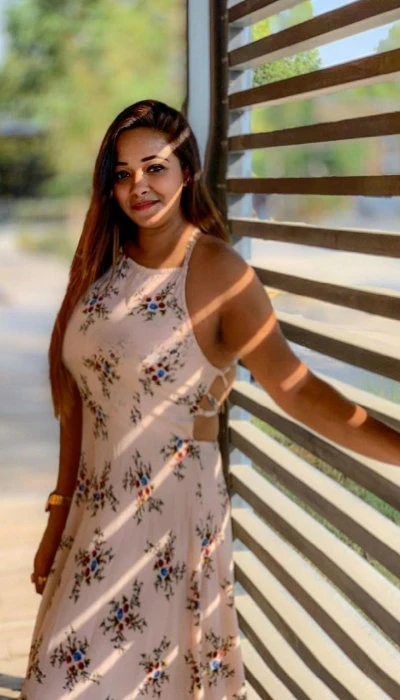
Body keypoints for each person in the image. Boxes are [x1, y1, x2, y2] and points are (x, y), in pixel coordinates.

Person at [22, 99, 400, 700]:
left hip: (169, 522)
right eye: (122, 173)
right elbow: (80, 400)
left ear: (188, 172)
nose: (139, 186)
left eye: (155, 168)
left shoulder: (220, 272)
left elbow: (297, 389)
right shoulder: (104, 262)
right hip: (92, 525)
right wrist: (57, 514)